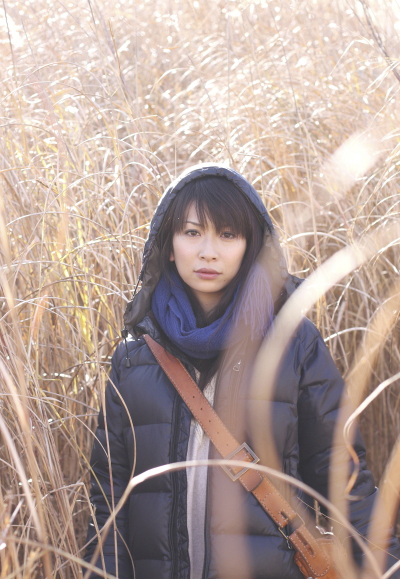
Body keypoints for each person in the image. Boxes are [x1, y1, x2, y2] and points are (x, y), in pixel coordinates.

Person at [83, 164, 400, 579]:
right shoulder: (134, 357)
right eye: (192, 232)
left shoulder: (292, 344)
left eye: (228, 234)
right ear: (169, 244)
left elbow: (343, 479)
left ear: (250, 245)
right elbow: (107, 503)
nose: (208, 251)